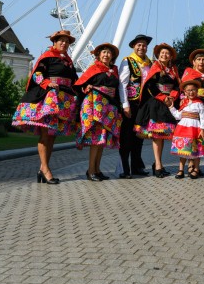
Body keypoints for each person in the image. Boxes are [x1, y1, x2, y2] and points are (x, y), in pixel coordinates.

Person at [12, 30, 78, 185]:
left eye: (67, 41)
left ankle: (43, 168)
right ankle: (46, 170)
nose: (64, 43)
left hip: (63, 98)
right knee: (45, 134)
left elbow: (74, 79)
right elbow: (37, 74)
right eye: (61, 40)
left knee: (52, 135)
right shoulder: (47, 57)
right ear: (54, 42)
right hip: (49, 97)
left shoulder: (68, 61)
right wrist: (47, 84)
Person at [75, 43, 122, 181]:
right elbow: (80, 84)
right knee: (96, 139)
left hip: (109, 108)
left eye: (109, 53)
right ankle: (91, 170)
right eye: (104, 52)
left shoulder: (114, 70)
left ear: (112, 56)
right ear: (99, 55)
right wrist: (86, 87)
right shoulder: (93, 68)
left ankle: (97, 169)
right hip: (95, 106)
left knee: (101, 140)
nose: (106, 55)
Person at [134, 43, 180, 177]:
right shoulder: (155, 67)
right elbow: (150, 86)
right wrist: (162, 97)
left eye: (167, 53)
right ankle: (158, 165)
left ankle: (158, 163)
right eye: (162, 53)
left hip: (169, 103)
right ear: (158, 55)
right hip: (157, 103)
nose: (164, 55)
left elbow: (177, 86)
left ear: (170, 56)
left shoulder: (174, 70)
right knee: (157, 136)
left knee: (163, 136)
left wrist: (172, 96)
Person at [117, 34, 152, 179]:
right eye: (139, 45)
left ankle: (137, 166)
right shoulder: (127, 61)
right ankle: (124, 169)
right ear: (133, 46)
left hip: (143, 105)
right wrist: (125, 105)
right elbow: (122, 84)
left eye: (144, 45)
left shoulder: (149, 63)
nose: (141, 47)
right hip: (131, 103)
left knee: (139, 136)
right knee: (126, 137)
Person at [181, 48, 204, 176]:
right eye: (199, 60)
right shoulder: (188, 73)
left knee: (201, 135)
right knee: (190, 135)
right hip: (191, 107)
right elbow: (182, 90)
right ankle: (190, 163)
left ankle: (196, 165)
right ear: (194, 62)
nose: (201, 62)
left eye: (203, 60)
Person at [168, 79, 204, 179]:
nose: (191, 92)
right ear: (185, 92)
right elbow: (178, 116)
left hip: (195, 129)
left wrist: (203, 129)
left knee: (196, 151)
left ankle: (196, 169)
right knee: (183, 150)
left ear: (197, 91)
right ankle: (181, 169)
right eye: (188, 90)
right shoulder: (184, 104)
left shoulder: (200, 104)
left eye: (193, 90)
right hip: (182, 129)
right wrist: (171, 107)